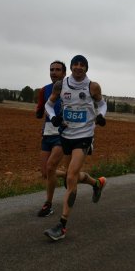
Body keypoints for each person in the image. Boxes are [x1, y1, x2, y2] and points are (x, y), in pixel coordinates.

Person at [43, 54, 107, 241]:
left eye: (82, 65)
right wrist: (53, 116)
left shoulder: (92, 86)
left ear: (86, 68)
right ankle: (97, 183)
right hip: (66, 135)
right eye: (75, 64)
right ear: (71, 67)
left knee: (70, 176)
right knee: (64, 171)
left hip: (85, 135)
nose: (79, 67)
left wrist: (101, 116)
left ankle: (61, 226)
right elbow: (49, 104)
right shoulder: (61, 85)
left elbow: (102, 105)